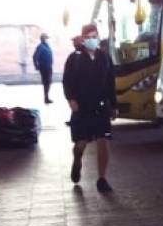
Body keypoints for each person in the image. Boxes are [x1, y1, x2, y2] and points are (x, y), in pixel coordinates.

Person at [63, 24, 117, 193]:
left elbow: (110, 82)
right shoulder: (75, 58)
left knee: (104, 141)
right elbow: (67, 80)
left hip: (101, 107)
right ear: (83, 38)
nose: (92, 39)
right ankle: (77, 160)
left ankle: (102, 179)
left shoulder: (104, 57)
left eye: (95, 36)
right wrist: (71, 99)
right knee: (81, 144)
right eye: (88, 37)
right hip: (82, 107)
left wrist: (113, 105)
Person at [32, 33, 54, 104]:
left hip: (49, 67)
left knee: (49, 82)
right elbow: (35, 56)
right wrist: (36, 66)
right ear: (42, 39)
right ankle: (46, 98)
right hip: (44, 68)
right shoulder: (40, 47)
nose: (46, 39)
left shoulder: (47, 46)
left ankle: (47, 97)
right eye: (45, 38)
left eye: (47, 38)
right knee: (46, 83)